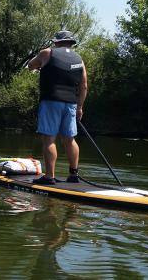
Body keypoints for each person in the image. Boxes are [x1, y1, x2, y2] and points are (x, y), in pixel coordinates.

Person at [27, 30, 88, 185]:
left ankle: (49, 177)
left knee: (49, 138)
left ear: (56, 42)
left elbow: (30, 65)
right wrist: (80, 107)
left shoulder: (47, 53)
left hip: (51, 101)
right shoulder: (79, 59)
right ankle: (73, 175)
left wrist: (39, 65)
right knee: (69, 139)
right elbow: (84, 86)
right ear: (70, 43)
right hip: (71, 104)